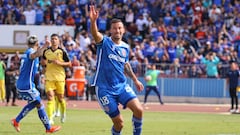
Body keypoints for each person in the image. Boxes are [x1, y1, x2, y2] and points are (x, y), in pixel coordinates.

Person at [89, 5, 144, 135]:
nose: (117, 31)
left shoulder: (125, 47)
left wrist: (135, 80)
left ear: (123, 30)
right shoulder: (104, 42)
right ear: (111, 30)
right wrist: (93, 22)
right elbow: (95, 34)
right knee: (119, 123)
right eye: (114, 28)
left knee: (139, 110)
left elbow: (126, 64)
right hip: (104, 89)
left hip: (121, 86)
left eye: (119, 28)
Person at [11, 35, 61, 133]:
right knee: (39, 103)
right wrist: (46, 46)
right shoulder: (30, 52)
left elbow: (36, 63)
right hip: (26, 85)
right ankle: (48, 128)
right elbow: (34, 55)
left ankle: (17, 121)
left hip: (24, 84)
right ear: (37, 44)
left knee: (36, 103)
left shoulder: (27, 52)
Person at [41, 33, 71, 124]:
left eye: (55, 39)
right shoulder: (46, 52)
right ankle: (50, 118)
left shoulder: (62, 51)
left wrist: (59, 63)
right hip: (49, 77)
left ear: (58, 41)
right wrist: (43, 65)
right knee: (50, 97)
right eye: (52, 39)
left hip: (60, 78)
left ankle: (63, 113)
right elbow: (43, 63)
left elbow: (69, 63)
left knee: (61, 98)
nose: (54, 40)